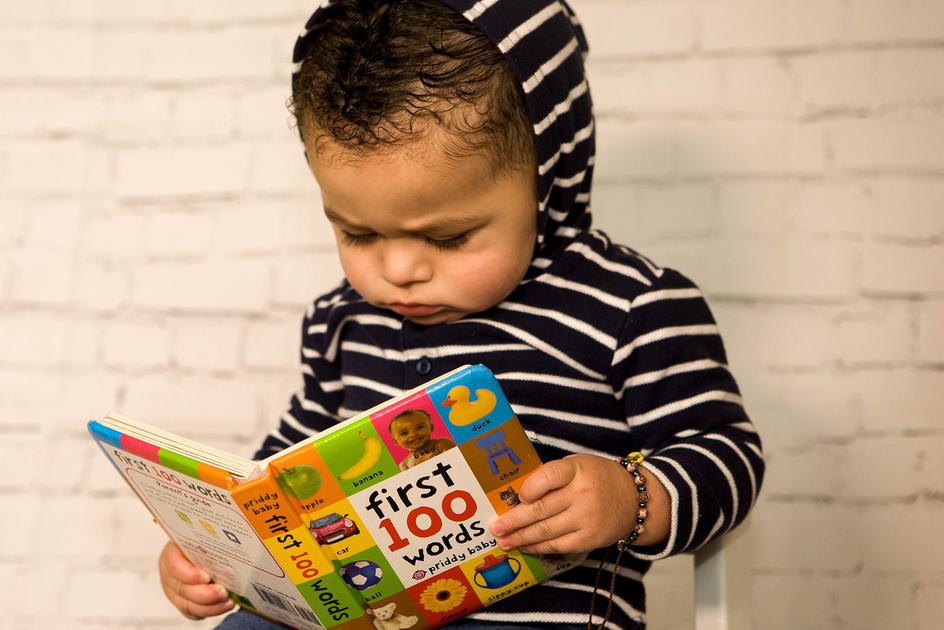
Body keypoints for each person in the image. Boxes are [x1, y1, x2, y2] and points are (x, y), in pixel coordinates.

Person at [158, 1, 765, 628]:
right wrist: (220, 549)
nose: (398, 270)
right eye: (358, 234)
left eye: (448, 238)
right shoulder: (344, 323)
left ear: (543, 179)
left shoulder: (629, 307)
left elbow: (729, 458)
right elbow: (278, 476)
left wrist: (634, 497)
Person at [387, 409, 457, 470]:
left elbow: (458, 462)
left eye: (420, 427)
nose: (413, 434)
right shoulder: (404, 465)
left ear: (431, 428)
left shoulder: (441, 444)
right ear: (396, 441)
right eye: (404, 433)